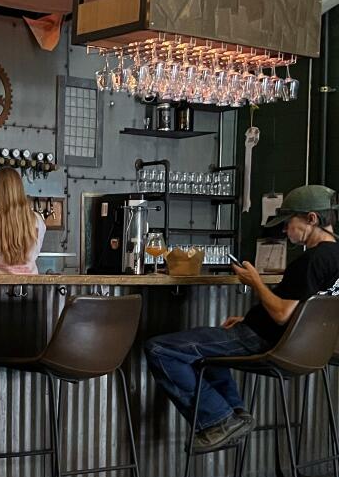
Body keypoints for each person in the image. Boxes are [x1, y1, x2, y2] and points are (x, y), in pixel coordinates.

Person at [145, 184, 339, 449]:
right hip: (306, 350)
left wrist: (256, 282)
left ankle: (219, 420)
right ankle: (236, 413)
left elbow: (283, 314)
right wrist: (250, 319)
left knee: (159, 349)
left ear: (312, 219)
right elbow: (299, 313)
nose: (284, 230)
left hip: (266, 341)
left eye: (288, 222)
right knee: (204, 353)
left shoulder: (312, 261)